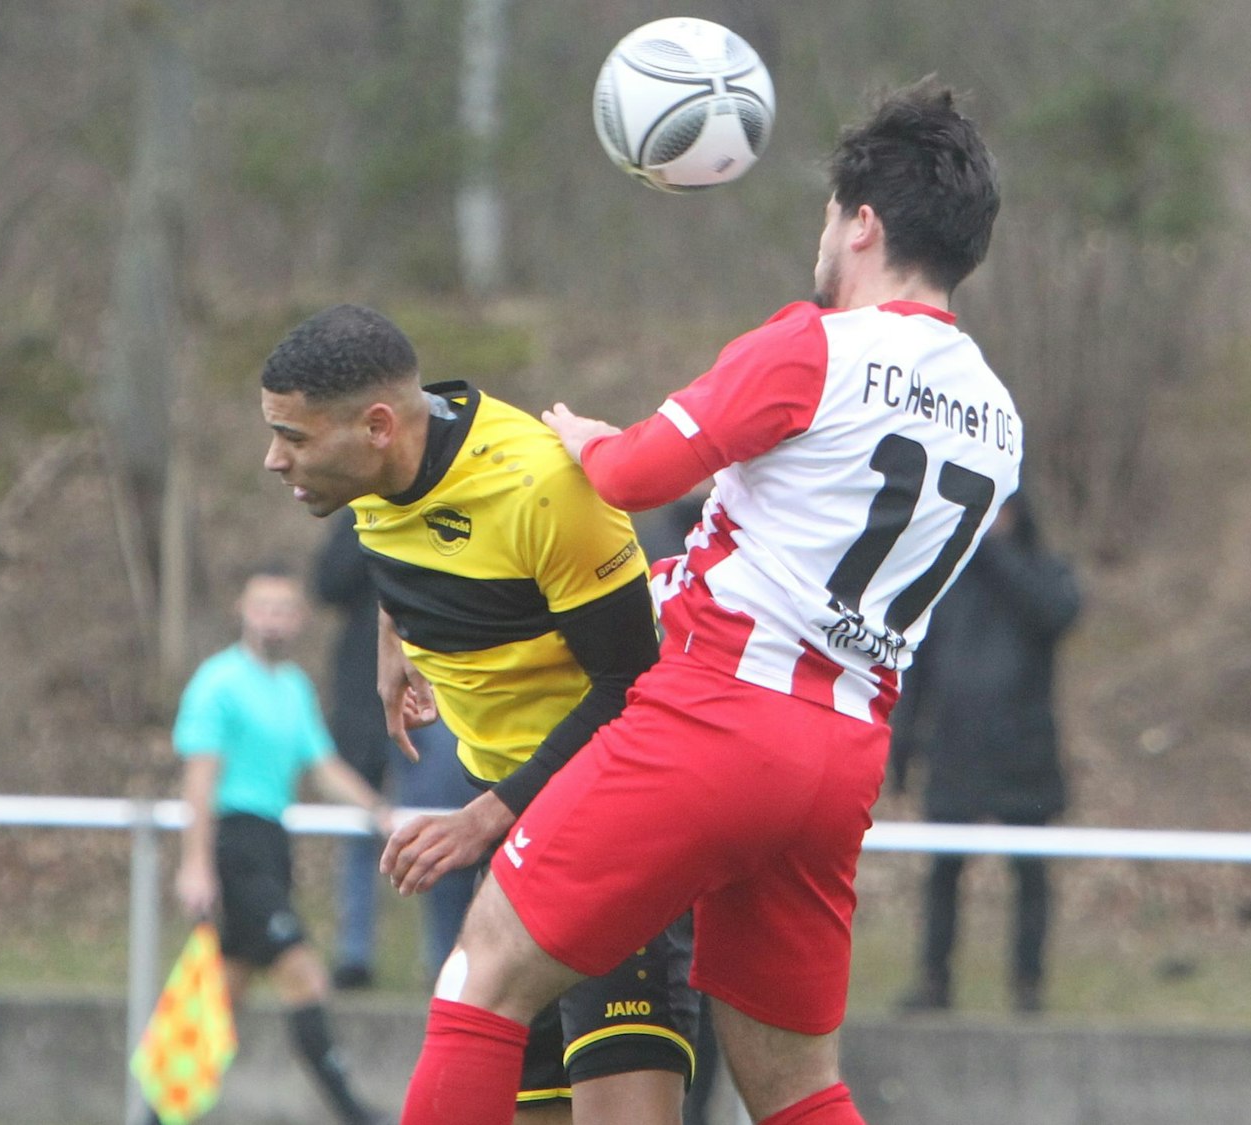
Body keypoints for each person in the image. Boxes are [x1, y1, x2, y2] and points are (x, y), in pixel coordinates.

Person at [394, 79, 1015, 1125]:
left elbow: (637, 476)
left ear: (861, 223)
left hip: (717, 720)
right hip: (841, 754)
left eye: (830, 214)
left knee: (482, 974)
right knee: (797, 1087)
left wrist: (586, 439)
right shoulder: (997, 416)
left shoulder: (813, 345)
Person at [259, 304, 699, 1124]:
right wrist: (400, 639)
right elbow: (411, 531)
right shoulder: (369, 478)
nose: (273, 458)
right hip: (524, 840)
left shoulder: (542, 489)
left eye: (294, 436)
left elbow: (634, 691)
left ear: (379, 425)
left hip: (618, 823)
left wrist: (482, 818)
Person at [167, 565, 396, 1125]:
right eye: (261, 607)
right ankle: (356, 1114)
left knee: (220, 996)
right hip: (234, 843)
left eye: (282, 609)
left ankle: (154, 1116)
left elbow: (322, 767)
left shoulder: (293, 688)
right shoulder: (218, 682)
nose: (272, 619)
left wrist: (379, 812)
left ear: (296, 619)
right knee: (305, 975)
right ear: (243, 612)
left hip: (272, 844)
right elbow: (199, 777)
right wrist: (195, 863)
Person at [891, 493, 1079, 1016]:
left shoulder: (1042, 571)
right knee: (944, 874)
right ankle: (934, 983)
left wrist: (995, 555)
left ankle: (1027, 987)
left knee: (1031, 873)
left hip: (1024, 751)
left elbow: (1059, 614)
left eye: (1003, 512)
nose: (992, 524)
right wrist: (902, 746)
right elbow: (915, 667)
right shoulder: (944, 581)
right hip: (955, 750)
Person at [310, 524, 478, 987]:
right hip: (364, 696)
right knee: (361, 825)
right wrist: (367, 530)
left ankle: (443, 956)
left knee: (437, 821)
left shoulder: (446, 511)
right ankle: (354, 955)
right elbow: (328, 584)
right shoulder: (359, 518)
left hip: (436, 696)